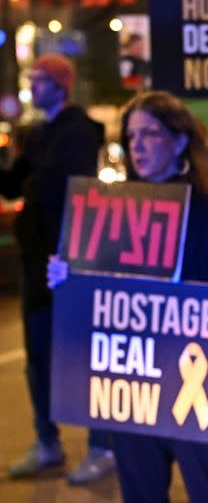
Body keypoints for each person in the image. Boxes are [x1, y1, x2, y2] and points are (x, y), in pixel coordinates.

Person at [50, 91, 208, 502]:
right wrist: (68, 279)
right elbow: (97, 294)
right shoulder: (110, 209)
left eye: (150, 134)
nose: (137, 145)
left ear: (178, 141)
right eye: (131, 135)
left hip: (193, 382)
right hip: (133, 380)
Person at [0, 53, 115, 484]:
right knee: (40, 358)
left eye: (40, 78)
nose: (32, 84)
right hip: (36, 261)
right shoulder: (39, 132)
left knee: (83, 356)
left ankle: (101, 445)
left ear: (61, 85)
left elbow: (59, 184)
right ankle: (47, 442)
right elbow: (18, 182)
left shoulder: (78, 131)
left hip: (71, 260)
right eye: (31, 77)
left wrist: (29, 181)